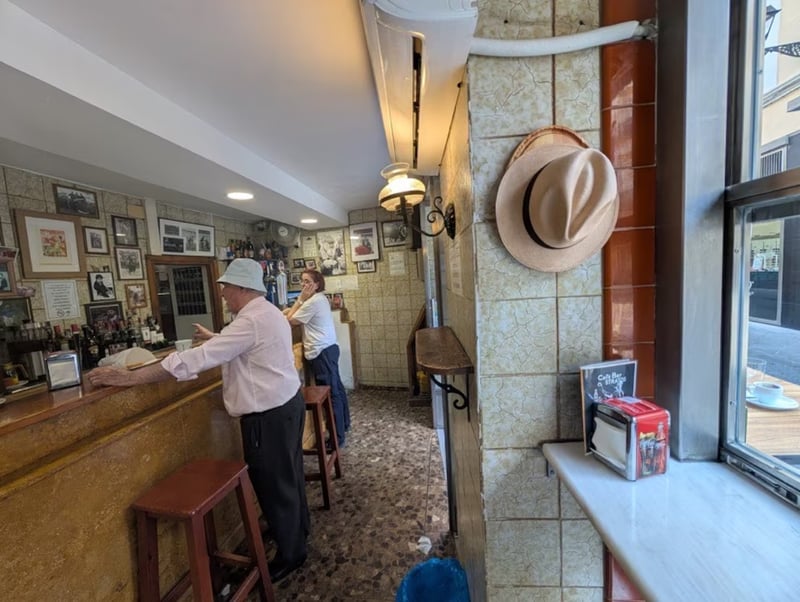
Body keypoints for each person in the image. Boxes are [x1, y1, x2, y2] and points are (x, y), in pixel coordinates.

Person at [88, 258, 309, 582]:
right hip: (288, 405)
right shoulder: (268, 312)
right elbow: (244, 344)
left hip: (268, 418)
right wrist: (217, 337)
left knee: (274, 485)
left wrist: (131, 378)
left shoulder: (249, 321)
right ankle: (297, 532)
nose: (222, 294)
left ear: (243, 288)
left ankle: (291, 554)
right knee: (289, 477)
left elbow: (196, 359)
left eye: (226, 287)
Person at [283, 269, 350, 447]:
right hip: (329, 349)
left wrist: (299, 299)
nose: (303, 285)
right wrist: (298, 304)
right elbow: (292, 313)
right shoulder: (319, 299)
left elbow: (289, 321)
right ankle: (344, 426)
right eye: (302, 281)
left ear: (317, 284)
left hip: (322, 352)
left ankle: (337, 439)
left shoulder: (313, 302)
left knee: (332, 394)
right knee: (337, 389)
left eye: (307, 282)